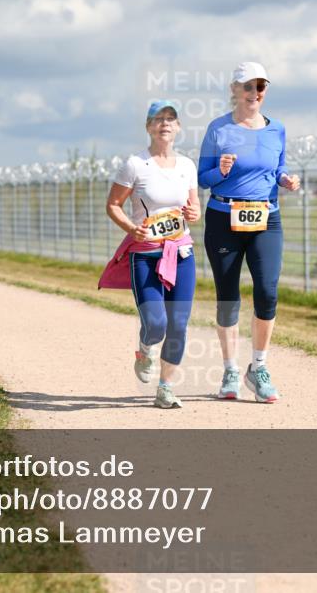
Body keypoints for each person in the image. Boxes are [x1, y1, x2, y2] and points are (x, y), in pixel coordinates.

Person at [197, 62, 300, 403]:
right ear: (235, 90)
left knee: (267, 292)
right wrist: (220, 171)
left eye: (260, 86)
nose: (254, 92)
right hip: (224, 217)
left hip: (266, 219)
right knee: (228, 296)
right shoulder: (218, 129)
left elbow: (279, 166)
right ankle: (229, 370)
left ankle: (258, 368)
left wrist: (286, 179)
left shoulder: (277, 130)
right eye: (248, 86)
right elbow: (202, 178)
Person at [100, 101, 200, 409]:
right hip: (145, 255)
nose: (165, 124)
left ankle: (166, 387)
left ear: (178, 127)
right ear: (148, 127)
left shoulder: (187, 166)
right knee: (156, 323)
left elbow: (193, 208)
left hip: (180, 252)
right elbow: (113, 205)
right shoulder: (135, 164)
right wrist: (132, 228)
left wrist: (194, 213)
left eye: (171, 119)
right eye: (158, 119)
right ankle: (145, 349)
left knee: (179, 324)